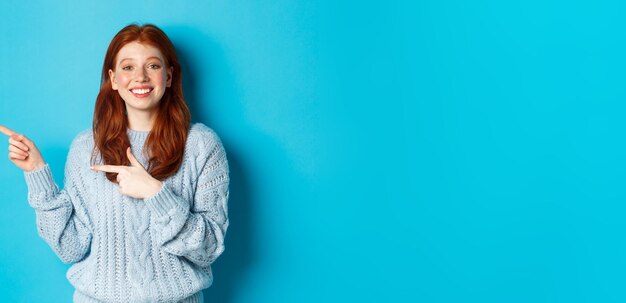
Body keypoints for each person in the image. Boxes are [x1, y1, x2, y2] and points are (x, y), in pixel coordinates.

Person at [0, 24, 229, 303]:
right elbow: (71, 248)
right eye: (128, 67)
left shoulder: (201, 145)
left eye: (153, 66)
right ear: (113, 79)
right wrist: (37, 173)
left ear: (169, 76)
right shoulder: (87, 148)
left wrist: (156, 193)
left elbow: (208, 249)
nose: (140, 77)